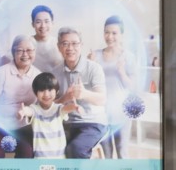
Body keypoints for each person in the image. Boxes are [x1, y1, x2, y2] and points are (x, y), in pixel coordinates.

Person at [52, 27, 108, 159]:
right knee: (48, 146)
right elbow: (50, 105)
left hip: (93, 123)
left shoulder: (94, 68)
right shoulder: (55, 72)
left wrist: (84, 94)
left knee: (75, 149)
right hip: (66, 123)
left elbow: (102, 99)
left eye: (74, 43)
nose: (70, 48)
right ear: (59, 47)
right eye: (65, 43)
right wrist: (64, 98)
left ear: (81, 46)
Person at [0, 35, 40, 158]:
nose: (25, 54)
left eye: (29, 50)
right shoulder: (1, 72)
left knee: (27, 154)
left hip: (23, 127)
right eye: (20, 50)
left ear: (35, 52)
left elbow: (38, 106)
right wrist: (11, 111)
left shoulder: (38, 75)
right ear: (13, 52)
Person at [90, 15, 135, 158]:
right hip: (100, 114)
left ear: (121, 35)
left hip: (121, 112)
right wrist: (91, 66)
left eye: (114, 33)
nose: (109, 36)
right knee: (106, 153)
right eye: (106, 32)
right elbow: (86, 84)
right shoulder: (95, 55)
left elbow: (133, 87)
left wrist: (121, 72)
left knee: (122, 151)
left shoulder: (128, 57)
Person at [18, 72, 78, 158]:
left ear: (56, 91)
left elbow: (65, 109)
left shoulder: (58, 108)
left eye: (50, 90)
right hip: (40, 157)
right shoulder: (35, 109)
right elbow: (29, 111)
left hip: (59, 156)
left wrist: (74, 107)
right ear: (36, 93)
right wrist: (23, 111)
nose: (46, 94)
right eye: (42, 90)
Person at [30, 5, 63, 70]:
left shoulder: (59, 43)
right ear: (33, 24)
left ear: (52, 23)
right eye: (38, 22)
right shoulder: (27, 43)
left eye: (46, 21)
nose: (43, 26)